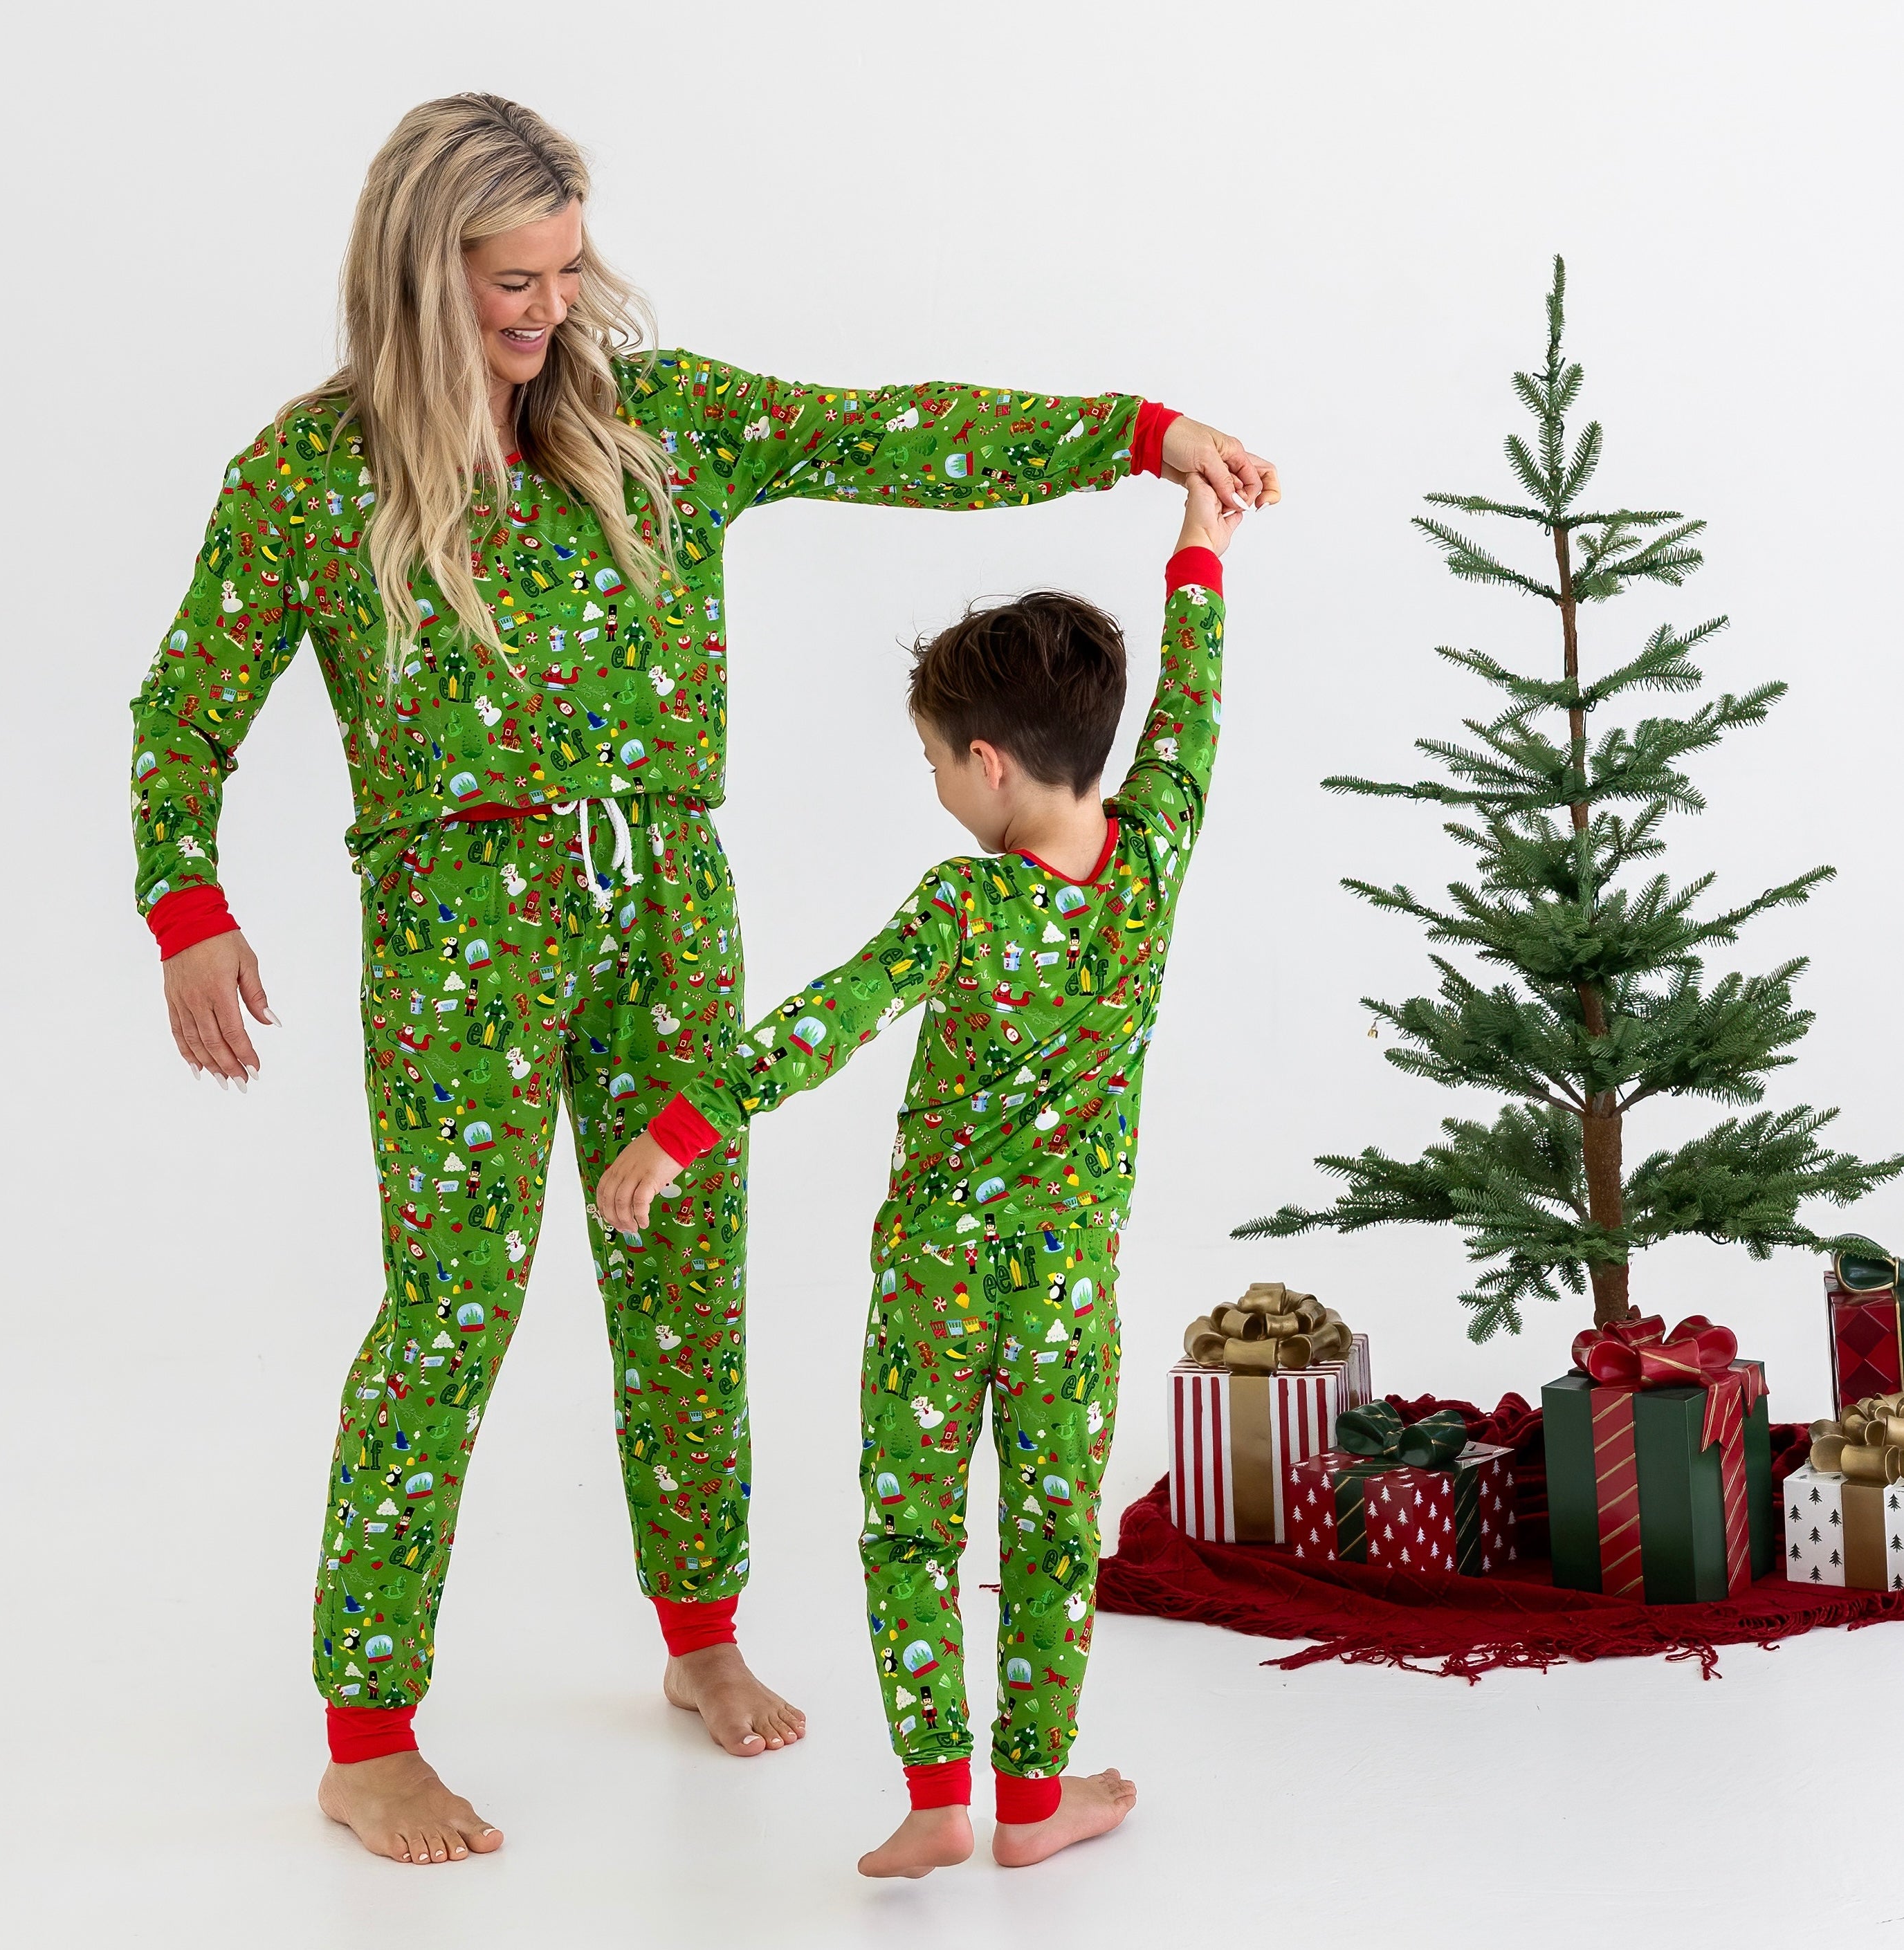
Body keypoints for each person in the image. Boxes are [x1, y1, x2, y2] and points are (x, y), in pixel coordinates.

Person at [129, 92, 1278, 1868]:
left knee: (686, 1279)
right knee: (450, 1309)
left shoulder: (659, 420)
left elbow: (892, 431)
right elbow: (183, 704)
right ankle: (368, 1737)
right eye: (513, 280)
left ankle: (699, 1634)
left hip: (666, 895)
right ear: (421, 273)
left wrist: (1137, 438)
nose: (550, 310)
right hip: (457, 928)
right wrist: (187, 905)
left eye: (567, 270)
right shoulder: (309, 475)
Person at [598, 471, 1242, 1874]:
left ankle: (940, 1795)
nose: (939, 786)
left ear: (991, 761)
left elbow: (820, 1024)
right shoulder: (1154, 856)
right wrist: (1201, 549)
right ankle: (1034, 1803)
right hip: (1067, 1288)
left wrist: (676, 1132)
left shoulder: (963, 903)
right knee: (1053, 1534)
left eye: (940, 761)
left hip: (934, 1283)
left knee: (909, 1532)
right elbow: (1189, 711)